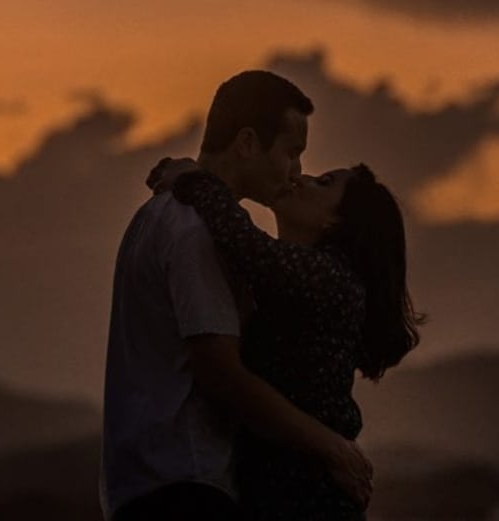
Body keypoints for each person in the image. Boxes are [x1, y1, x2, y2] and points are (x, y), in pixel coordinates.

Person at [100, 70, 373, 521]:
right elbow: (219, 372)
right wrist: (332, 446)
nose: (297, 171)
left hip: (145, 485)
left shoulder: (156, 214)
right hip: (184, 487)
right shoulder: (196, 230)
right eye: (292, 152)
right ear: (247, 144)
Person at [150, 160, 422, 520]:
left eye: (323, 183)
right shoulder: (303, 284)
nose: (301, 177)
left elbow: (245, 243)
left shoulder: (331, 279)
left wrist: (194, 180)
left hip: (308, 497)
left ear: (336, 222)